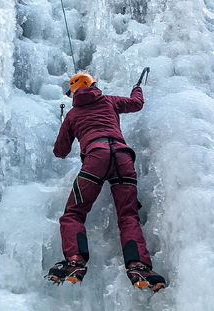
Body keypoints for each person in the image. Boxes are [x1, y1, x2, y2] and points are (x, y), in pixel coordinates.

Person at [47, 72, 166, 292]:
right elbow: (136, 104)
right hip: (123, 157)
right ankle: (138, 264)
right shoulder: (109, 100)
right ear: (94, 84)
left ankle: (75, 260)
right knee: (128, 216)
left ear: (73, 92)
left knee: (74, 213)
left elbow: (60, 152)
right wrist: (136, 87)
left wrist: (66, 124)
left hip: (96, 158)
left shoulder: (73, 114)